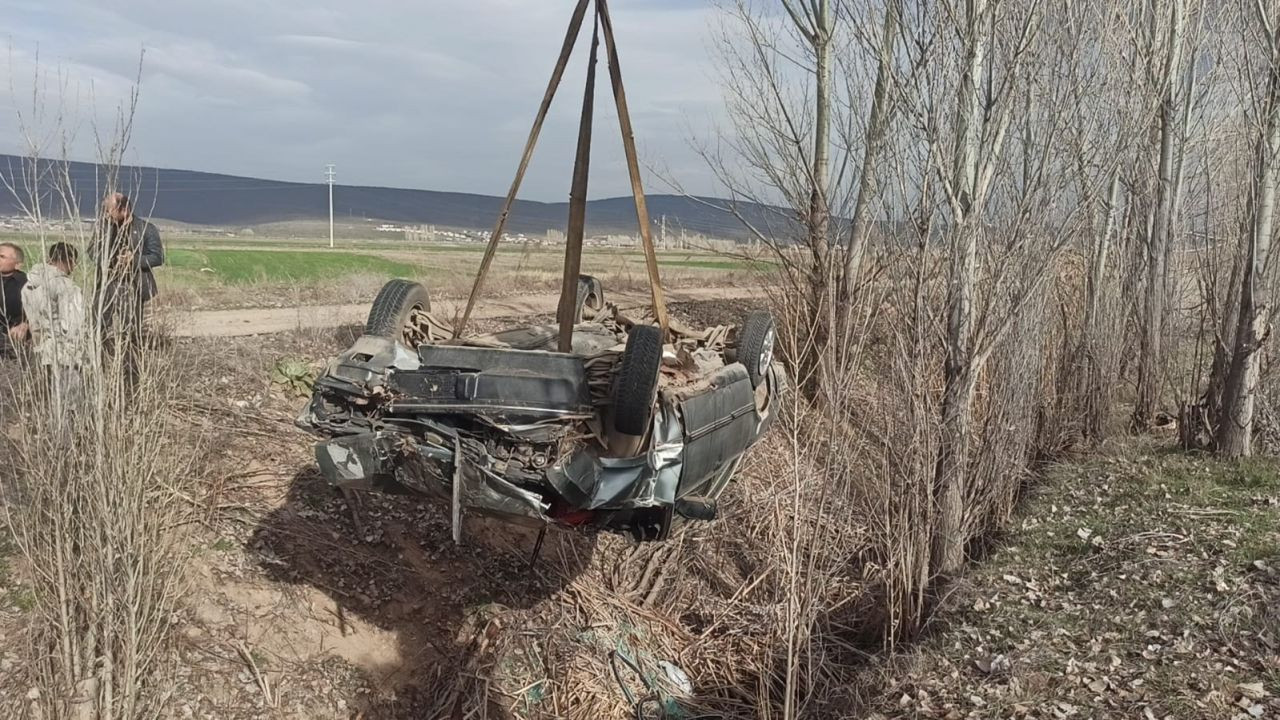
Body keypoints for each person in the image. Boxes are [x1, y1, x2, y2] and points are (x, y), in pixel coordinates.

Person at [92, 192, 164, 384]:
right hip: (106, 286)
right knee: (97, 327)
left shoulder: (145, 229)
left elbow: (157, 257)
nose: (106, 215)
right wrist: (109, 260)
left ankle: (131, 375)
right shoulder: (103, 228)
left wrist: (134, 260)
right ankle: (99, 368)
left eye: (109, 211)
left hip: (133, 286)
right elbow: (92, 252)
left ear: (124, 209)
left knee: (131, 332)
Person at [22, 242, 85, 408]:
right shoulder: (66, 286)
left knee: (45, 403)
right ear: (71, 260)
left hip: (40, 350)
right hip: (64, 352)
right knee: (68, 405)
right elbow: (73, 326)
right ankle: (67, 435)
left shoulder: (29, 285)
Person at [0, 242, 28, 358]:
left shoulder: (26, 284)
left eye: (2, 256)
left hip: (10, 339)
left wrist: (26, 324)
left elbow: (40, 310)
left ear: (17, 265)